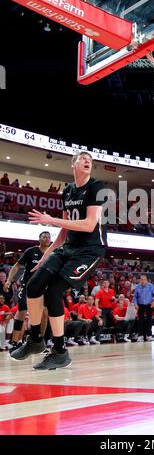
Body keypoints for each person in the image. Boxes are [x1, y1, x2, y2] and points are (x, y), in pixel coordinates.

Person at [10, 151, 107, 370]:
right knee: (33, 286)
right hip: (68, 248)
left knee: (53, 291)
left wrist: (50, 219)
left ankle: (60, 351)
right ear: (73, 164)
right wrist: (45, 257)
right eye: (83, 159)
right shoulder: (69, 191)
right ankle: (35, 339)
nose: (87, 161)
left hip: (90, 250)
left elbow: (90, 224)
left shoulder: (96, 187)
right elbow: (64, 232)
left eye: (90, 160)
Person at [4, 232, 51, 352]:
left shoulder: (52, 253)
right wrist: (9, 280)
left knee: (45, 312)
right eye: (44, 236)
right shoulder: (31, 251)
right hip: (27, 285)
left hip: (42, 287)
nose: (47, 238)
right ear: (39, 239)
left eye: (49, 237)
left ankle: (40, 342)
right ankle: (14, 342)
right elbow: (16, 266)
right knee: (22, 310)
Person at [133, 275, 154, 342]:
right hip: (140, 305)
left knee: (149, 320)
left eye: (144, 279)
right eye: (141, 279)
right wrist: (135, 304)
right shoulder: (137, 287)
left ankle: (149, 335)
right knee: (140, 321)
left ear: (146, 280)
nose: (142, 281)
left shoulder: (150, 286)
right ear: (140, 280)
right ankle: (140, 336)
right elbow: (135, 297)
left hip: (149, 305)